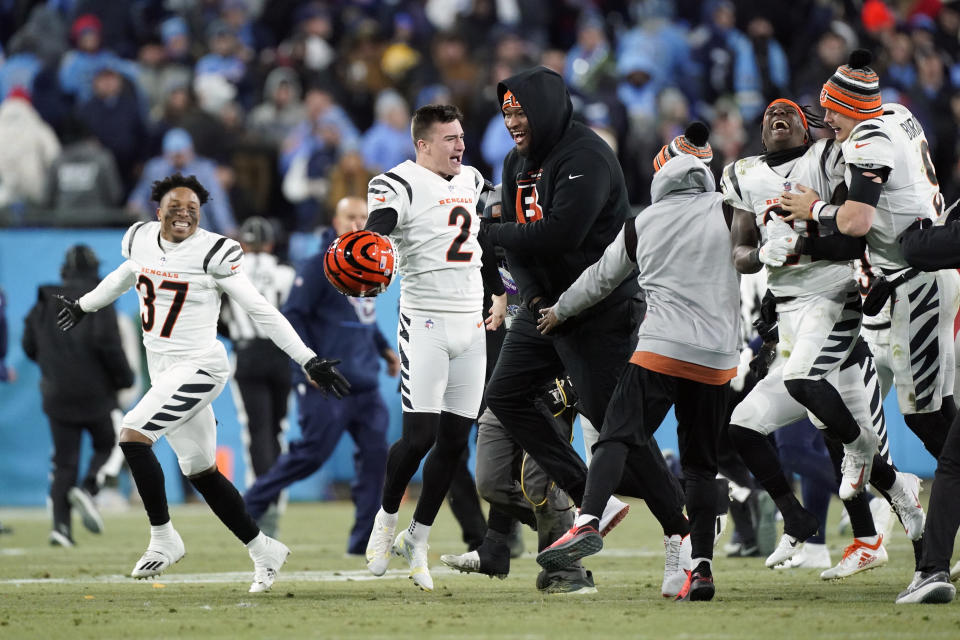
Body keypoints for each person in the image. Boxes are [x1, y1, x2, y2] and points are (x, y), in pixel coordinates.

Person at [55, 172, 349, 593]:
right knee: (202, 471)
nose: (184, 214)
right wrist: (86, 305)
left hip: (200, 366)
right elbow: (127, 273)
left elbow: (260, 309)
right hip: (163, 368)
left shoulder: (213, 251)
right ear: (158, 212)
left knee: (133, 436)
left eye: (193, 208)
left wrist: (307, 358)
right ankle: (264, 549)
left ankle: (163, 538)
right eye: (175, 207)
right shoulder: (139, 238)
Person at [480, 67, 687, 592]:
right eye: (505, 112)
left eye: (519, 111)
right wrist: (531, 296)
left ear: (546, 107)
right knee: (505, 394)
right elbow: (519, 247)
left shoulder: (587, 155)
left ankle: (683, 529)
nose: (512, 122)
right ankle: (588, 490)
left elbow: (560, 231)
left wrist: (488, 231)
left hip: (599, 309)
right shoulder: (515, 161)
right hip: (546, 309)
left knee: (618, 430)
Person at [535, 123, 739, 602]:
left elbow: (600, 279)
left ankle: (587, 520)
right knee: (701, 469)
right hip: (716, 358)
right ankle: (702, 570)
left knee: (617, 435)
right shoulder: (730, 210)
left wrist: (559, 310)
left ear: (661, 177)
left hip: (661, 348)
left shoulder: (643, 221)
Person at [724, 97, 923, 575]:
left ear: (806, 126)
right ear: (760, 128)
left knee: (810, 394)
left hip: (833, 298)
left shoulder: (829, 158)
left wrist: (804, 241)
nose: (778, 117)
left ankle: (917, 551)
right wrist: (762, 256)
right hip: (791, 317)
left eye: (789, 113)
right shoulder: (743, 174)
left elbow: (858, 234)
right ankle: (801, 518)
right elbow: (739, 252)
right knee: (743, 427)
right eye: (770, 114)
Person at [780, 50, 959, 463]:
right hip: (924, 271)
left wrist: (814, 209)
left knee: (925, 416)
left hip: (915, 285)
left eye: (834, 110)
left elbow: (857, 221)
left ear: (854, 109)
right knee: (938, 406)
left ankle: (949, 492)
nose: (828, 119)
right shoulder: (896, 113)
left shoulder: (868, 139)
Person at [362, 104, 506, 591]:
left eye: (461, 136)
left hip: (471, 320)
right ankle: (384, 521)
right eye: (448, 138)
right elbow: (379, 222)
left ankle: (417, 539)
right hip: (424, 320)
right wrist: (368, 241)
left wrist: (500, 293)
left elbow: (482, 241)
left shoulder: (473, 179)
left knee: (453, 442)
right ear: (422, 144)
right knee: (420, 435)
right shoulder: (397, 182)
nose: (459, 145)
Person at [244, 196, 400, 555]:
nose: (358, 224)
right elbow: (293, 315)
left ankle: (363, 542)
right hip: (326, 381)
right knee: (311, 454)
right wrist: (309, 363)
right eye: (350, 217)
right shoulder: (318, 266)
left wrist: (383, 349)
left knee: (377, 460)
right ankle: (249, 504)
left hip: (365, 382)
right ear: (335, 220)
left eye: (364, 217)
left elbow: (363, 318)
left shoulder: (370, 261)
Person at [22, 245, 134, 546]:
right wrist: (125, 378)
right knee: (111, 443)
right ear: (96, 270)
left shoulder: (43, 303)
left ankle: (61, 527)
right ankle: (88, 488)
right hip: (96, 394)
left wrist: (55, 370)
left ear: (64, 271)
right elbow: (109, 345)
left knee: (64, 462)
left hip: (57, 394)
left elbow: (29, 345)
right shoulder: (100, 302)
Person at [221, 217, 296, 494]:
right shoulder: (285, 272)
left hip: (247, 353)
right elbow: (295, 314)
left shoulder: (228, 271)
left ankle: (264, 490)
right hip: (279, 353)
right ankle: (275, 491)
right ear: (271, 243)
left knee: (257, 428)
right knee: (277, 428)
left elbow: (220, 318)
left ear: (242, 243)